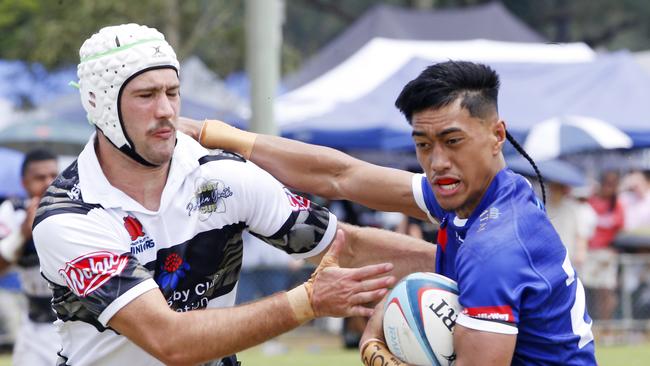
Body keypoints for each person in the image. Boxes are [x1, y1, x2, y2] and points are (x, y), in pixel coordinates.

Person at [32, 24, 436, 366]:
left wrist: (469, 264)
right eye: (146, 95)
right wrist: (307, 302)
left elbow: (345, 246)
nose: (166, 110)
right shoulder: (69, 215)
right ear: (99, 105)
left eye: (172, 92)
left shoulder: (221, 173)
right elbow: (169, 340)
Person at [182, 61, 597, 365]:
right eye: (423, 144)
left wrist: (379, 352)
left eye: (452, 141)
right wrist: (215, 134)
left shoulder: (496, 249)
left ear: (497, 135)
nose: (437, 162)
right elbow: (342, 175)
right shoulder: (488, 192)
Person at [0, 149, 60, 366]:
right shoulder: (13, 212)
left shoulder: (75, 211)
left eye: (54, 175)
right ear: (24, 182)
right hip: (34, 326)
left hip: (74, 324)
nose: (48, 182)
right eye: (39, 177)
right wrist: (23, 234)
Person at [582, 171, 625, 321]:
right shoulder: (591, 201)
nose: (610, 188)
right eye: (607, 184)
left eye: (613, 184)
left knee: (606, 292)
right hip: (589, 254)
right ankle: (591, 323)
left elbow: (620, 231)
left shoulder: (617, 204)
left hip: (607, 254)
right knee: (587, 291)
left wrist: (614, 249)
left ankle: (606, 325)